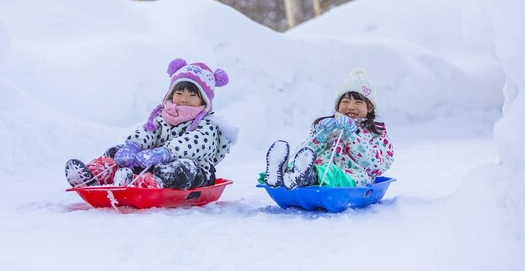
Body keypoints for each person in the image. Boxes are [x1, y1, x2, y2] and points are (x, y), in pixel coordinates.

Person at [65, 58, 234, 190]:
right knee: (117, 151)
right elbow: (149, 131)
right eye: (179, 92)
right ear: (170, 94)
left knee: (182, 168)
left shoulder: (207, 124)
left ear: (203, 99)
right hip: (151, 164)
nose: (184, 98)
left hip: (196, 172)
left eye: (192, 95)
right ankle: (95, 175)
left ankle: (144, 184)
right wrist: (132, 146)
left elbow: (193, 143)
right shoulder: (163, 116)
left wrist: (165, 153)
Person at [264, 67, 394, 189]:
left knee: (332, 174)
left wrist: (352, 135)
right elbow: (304, 153)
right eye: (345, 102)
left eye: (358, 102)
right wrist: (320, 137)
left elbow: (377, 166)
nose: (350, 106)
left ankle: (304, 177)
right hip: (320, 167)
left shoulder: (376, 132)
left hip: (352, 178)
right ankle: (279, 173)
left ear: (369, 107)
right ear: (337, 106)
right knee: (302, 165)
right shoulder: (329, 127)